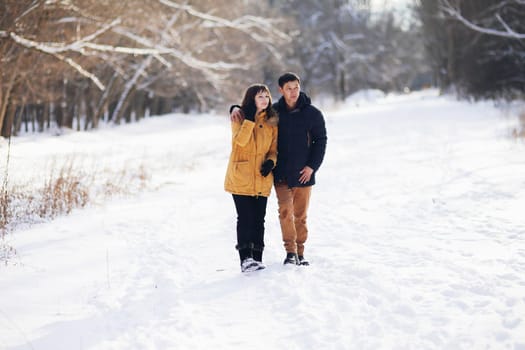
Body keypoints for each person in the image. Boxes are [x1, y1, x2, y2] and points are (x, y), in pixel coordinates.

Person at [231, 72, 327, 266]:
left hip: (303, 173)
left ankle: (300, 252)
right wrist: (234, 108)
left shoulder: (312, 114)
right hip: (281, 173)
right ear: (281, 90)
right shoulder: (274, 113)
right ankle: (290, 252)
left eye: (296, 88)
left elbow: (321, 141)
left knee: (300, 216)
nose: (293, 92)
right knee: (285, 212)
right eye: (289, 89)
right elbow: (253, 113)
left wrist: (312, 167)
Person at [224, 84, 279, 272]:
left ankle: (257, 257)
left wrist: (271, 162)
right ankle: (245, 259)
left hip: (262, 177)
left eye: (266, 96)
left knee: (259, 219)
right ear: (252, 99)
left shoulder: (272, 121)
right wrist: (248, 120)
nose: (264, 100)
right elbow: (239, 142)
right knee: (245, 217)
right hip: (241, 176)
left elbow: (273, 150)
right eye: (260, 97)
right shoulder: (238, 117)